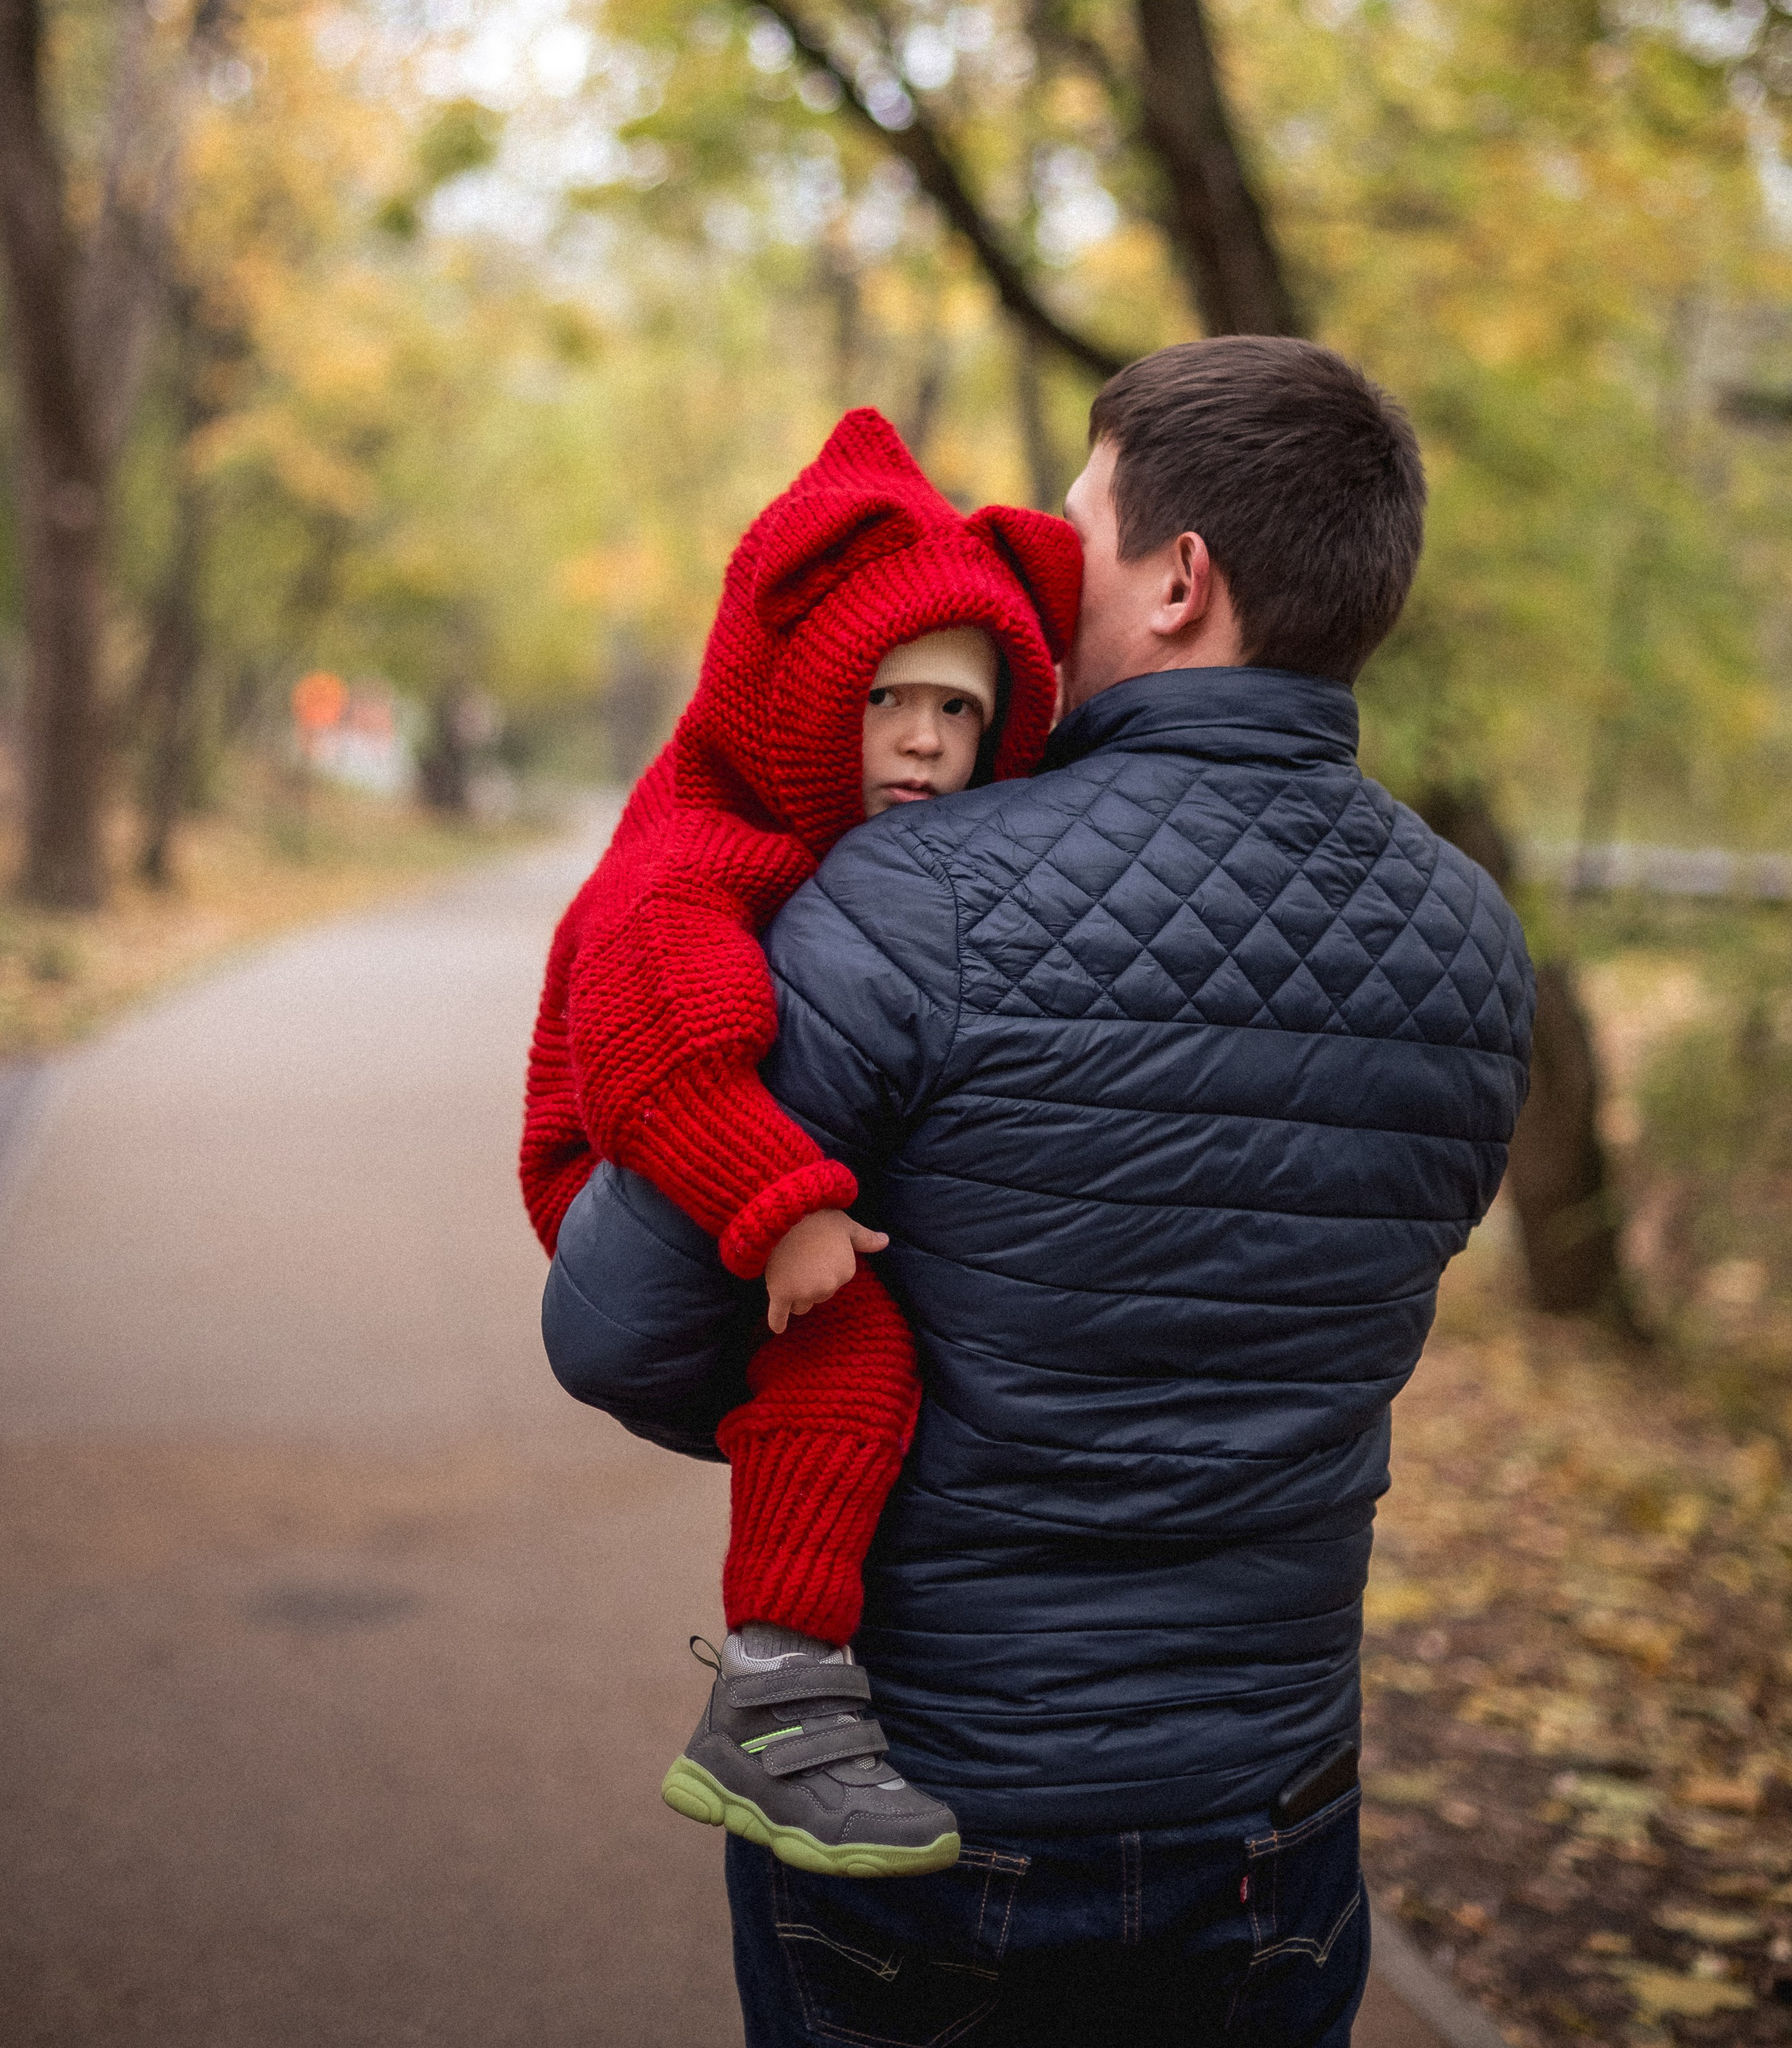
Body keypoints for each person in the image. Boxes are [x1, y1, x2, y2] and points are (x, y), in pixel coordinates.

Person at [544, 336, 1535, 2046]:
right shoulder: (1474, 946)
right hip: (1272, 1815)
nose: (1038, 554)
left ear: (1177, 580)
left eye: (1078, 518)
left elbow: (616, 1324)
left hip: (927, 1792)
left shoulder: (905, 896)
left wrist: (843, 1408)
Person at [520, 406, 1081, 1877]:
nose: (921, 737)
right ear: (793, 690)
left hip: (760, 1155)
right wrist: (783, 1208)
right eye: (888, 696)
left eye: (961, 712)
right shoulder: (697, 850)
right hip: (637, 1161)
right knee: (857, 1356)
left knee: (855, 1373)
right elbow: (658, 1056)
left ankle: (784, 1682)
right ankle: (774, 1695)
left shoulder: (859, 850)